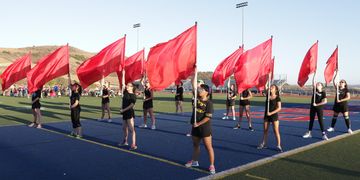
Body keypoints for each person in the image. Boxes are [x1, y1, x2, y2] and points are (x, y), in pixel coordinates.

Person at [185, 79, 216, 175]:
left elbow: (208, 117)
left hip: (204, 128)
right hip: (195, 126)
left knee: (208, 147)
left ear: (207, 92)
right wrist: (193, 75)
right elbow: (194, 86)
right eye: (199, 89)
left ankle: (212, 165)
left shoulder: (209, 103)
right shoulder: (196, 98)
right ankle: (194, 161)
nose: (200, 91)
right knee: (195, 145)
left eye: (202, 90)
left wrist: (198, 124)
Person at [257, 84, 283, 152]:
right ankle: (264, 143)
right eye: (271, 87)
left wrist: (271, 113)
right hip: (266, 115)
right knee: (265, 130)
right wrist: (267, 78)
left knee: (276, 131)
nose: (271, 88)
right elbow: (265, 87)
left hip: (274, 115)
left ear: (276, 90)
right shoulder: (268, 95)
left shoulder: (277, 97)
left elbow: (279, 108)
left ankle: (278, 145)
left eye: (273, 87)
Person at [119, 82, 137, 150]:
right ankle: (125, 141)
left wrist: (123, 110)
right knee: (124, 128)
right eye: (127, 85)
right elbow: (123, 83)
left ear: (132, 87)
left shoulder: (133, 95)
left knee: (131, 129)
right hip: (124, 113)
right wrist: (123, 73)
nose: (127, 86)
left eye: (129, 86)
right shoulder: (125, 93)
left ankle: (133, 144)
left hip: (129, 113)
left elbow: (131, 105)